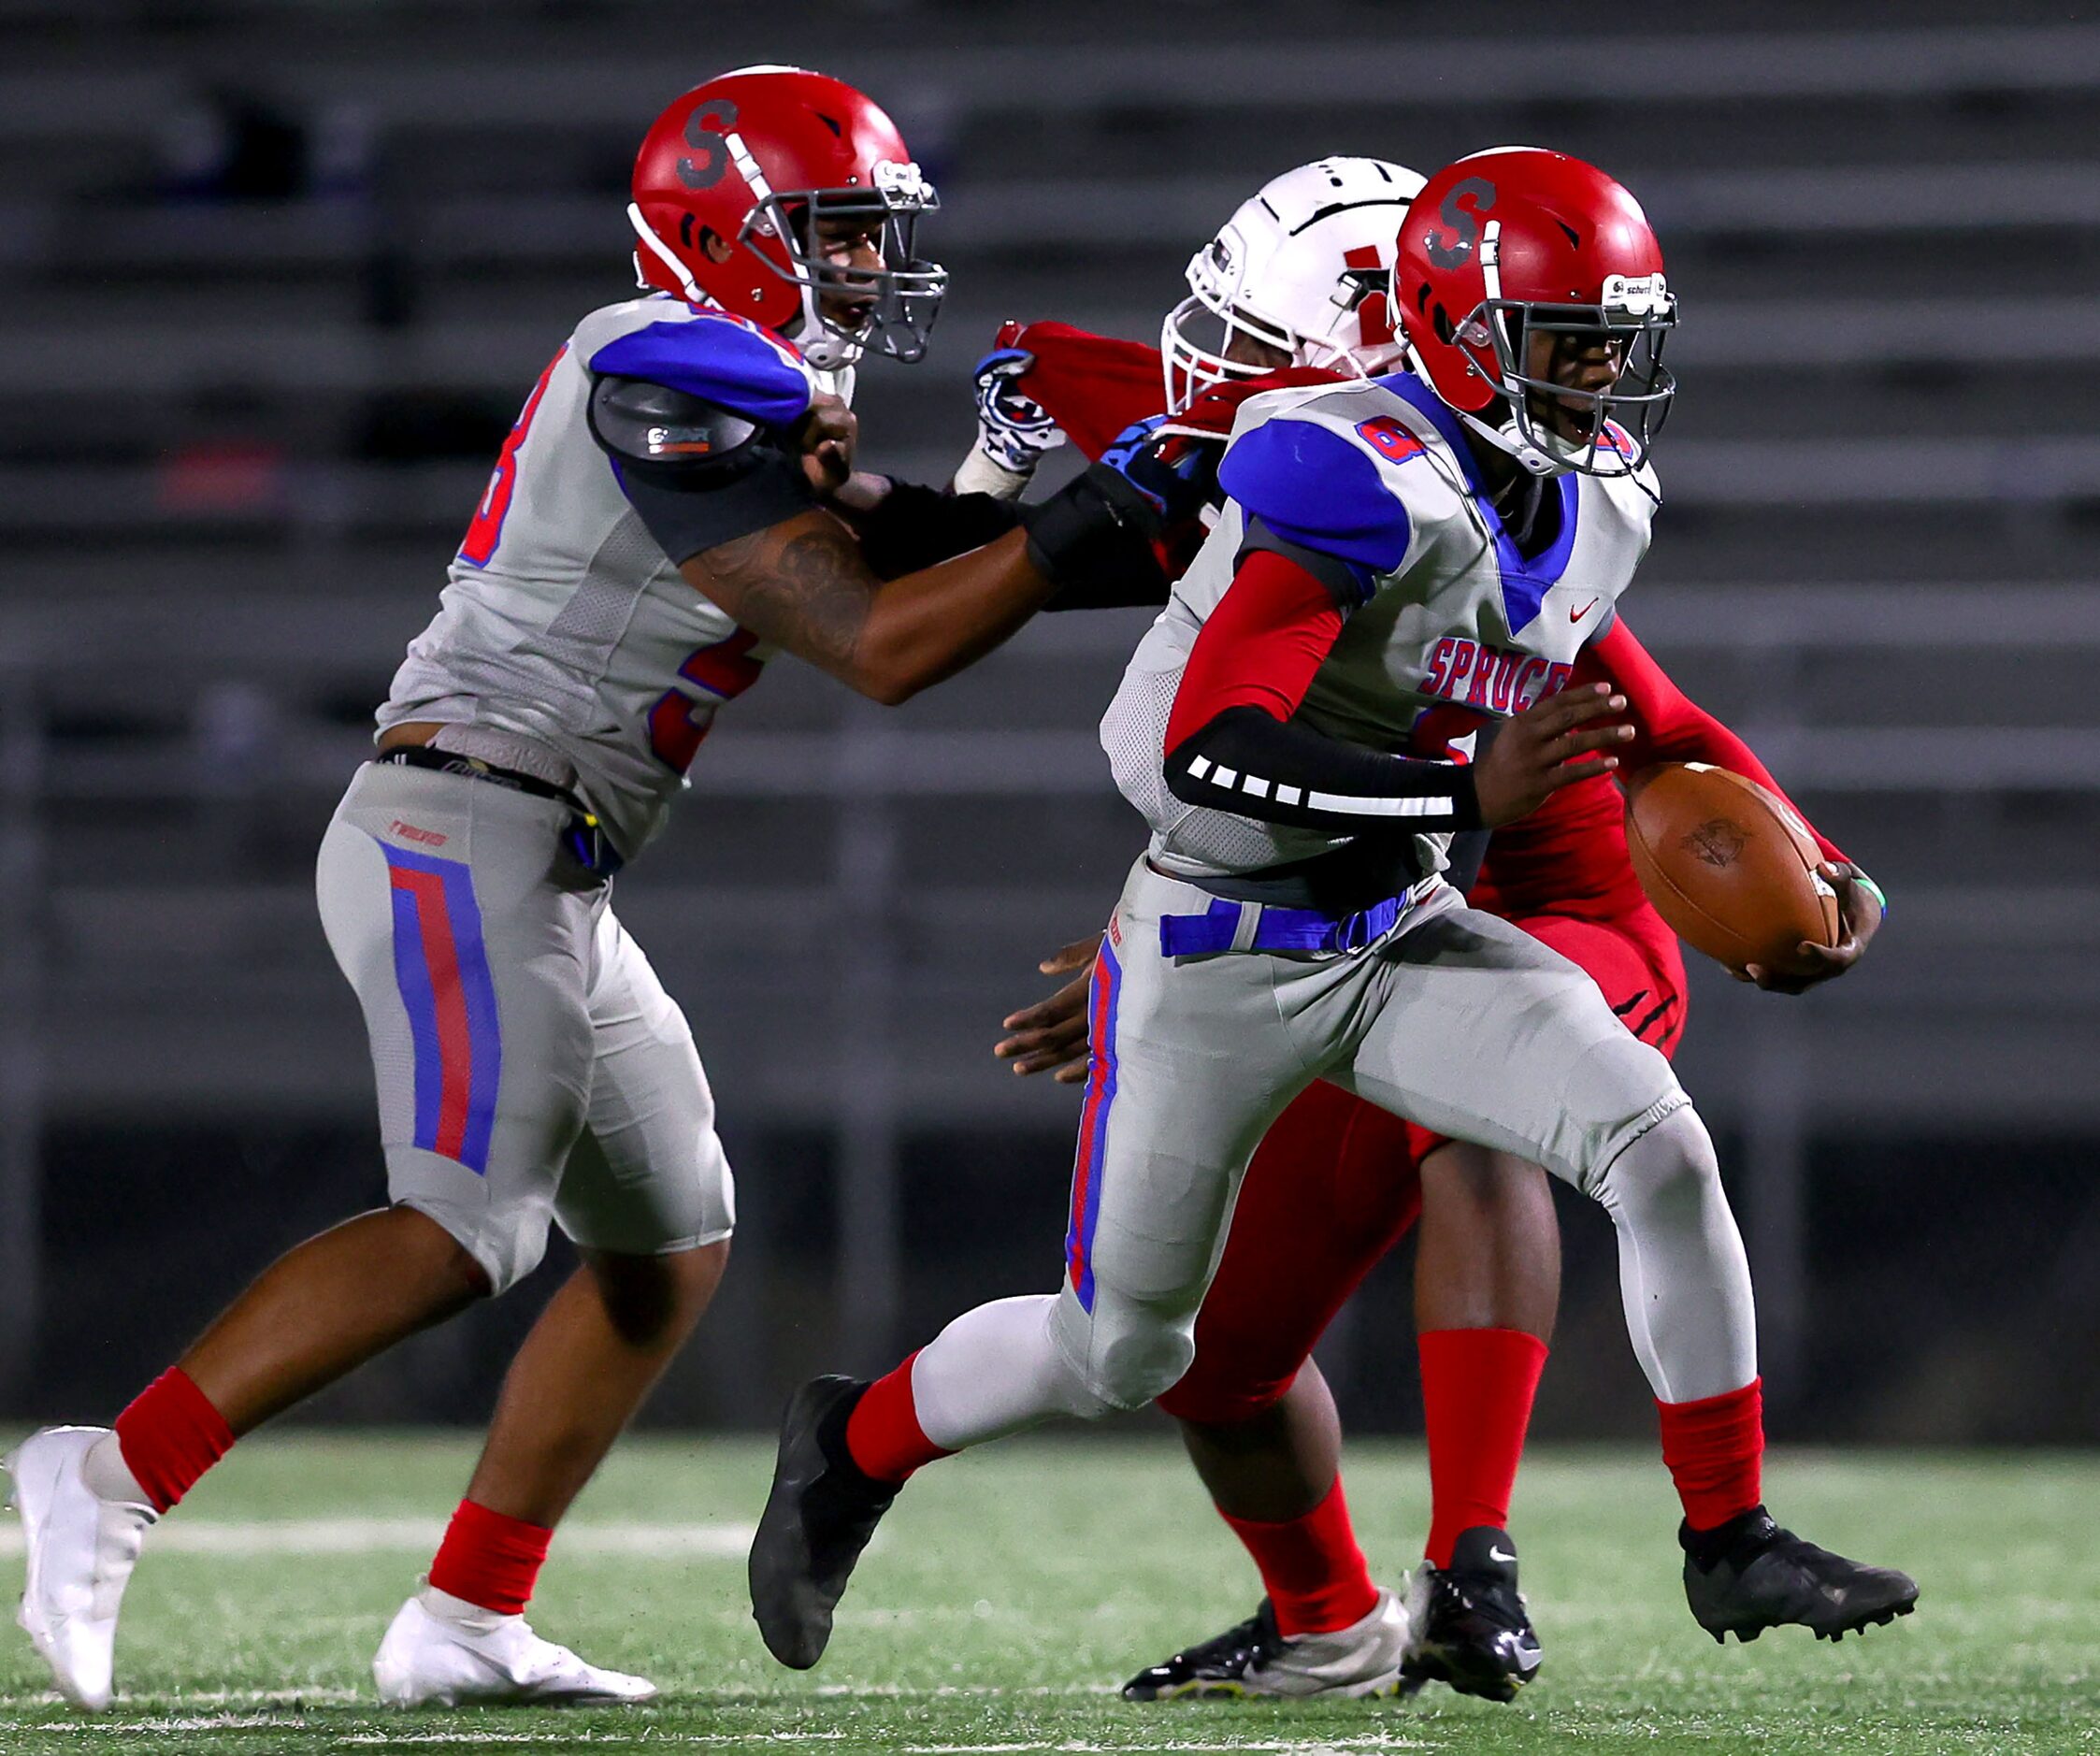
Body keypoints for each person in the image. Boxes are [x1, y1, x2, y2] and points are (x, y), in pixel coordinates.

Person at [5, 64, 1186, 1715]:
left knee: (666, 1236)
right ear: (726, 230)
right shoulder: (664, 362)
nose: (864, 271)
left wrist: (1148, 506)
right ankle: (107, 1475)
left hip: (550, 858)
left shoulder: (732, 382)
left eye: (873, 240)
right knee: (464, 1226)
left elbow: (907, 553)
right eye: (835, 236)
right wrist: (1091, 510)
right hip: (460, 820)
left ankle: (469, 1611)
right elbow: (880, 644)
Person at [747, 146, 1918, 1682]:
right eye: (1568, 345)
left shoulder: (1580, 495)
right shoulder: (1332, 467)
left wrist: (1811, 857)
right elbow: (1202, 752)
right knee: (1128, 1348)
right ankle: (856, 1437)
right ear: (1440, 329)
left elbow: (1650, 714)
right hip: (1222, 944)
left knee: (1657, 1145)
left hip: (1397, 922)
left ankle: (1726, 1537)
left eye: (1611, 345)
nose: (1601, 382)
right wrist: (1454, 799)